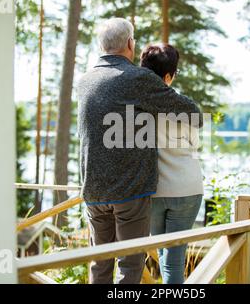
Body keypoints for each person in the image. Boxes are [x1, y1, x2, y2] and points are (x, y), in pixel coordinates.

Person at [76, 18, 202, 284]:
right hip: (129, 191)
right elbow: (191, 113)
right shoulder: (138, 78)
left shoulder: (85, 80)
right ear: (130, 44)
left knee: (99, 264)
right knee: (130, 267)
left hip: (93, 189)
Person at [140, 43, 204, 284]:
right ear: (168, 76)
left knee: (162, 252)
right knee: (175, 257)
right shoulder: (185, 106)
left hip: (154, 189)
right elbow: (194, 144)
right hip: (187, 188)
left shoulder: (138, 107)